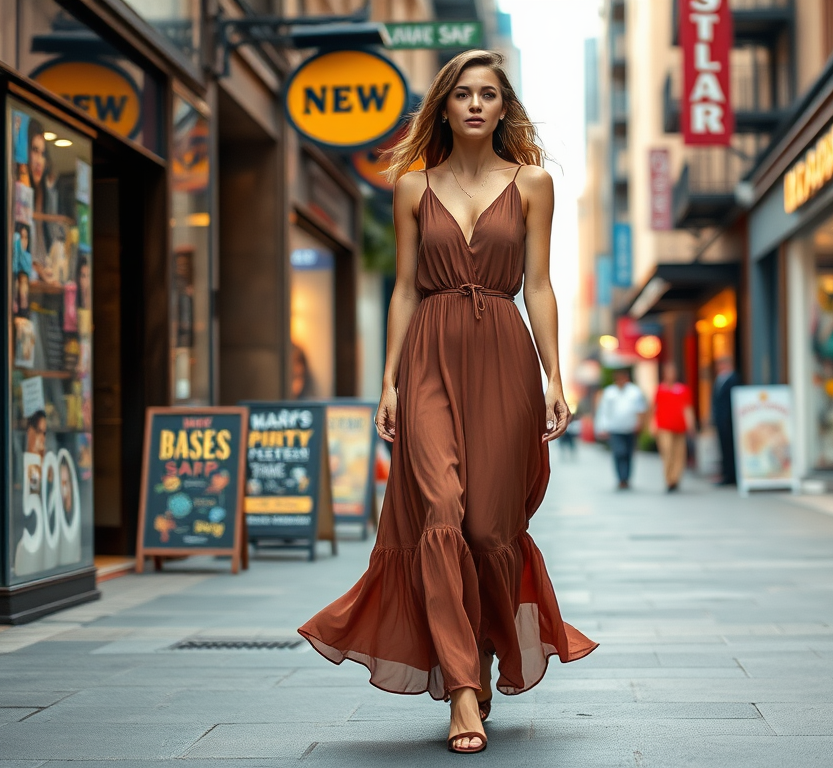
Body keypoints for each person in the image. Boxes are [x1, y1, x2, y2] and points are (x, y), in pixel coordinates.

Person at [297, 50, 597, 755]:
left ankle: (485, 655)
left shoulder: (533, 185)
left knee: (491, 531)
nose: (474, 104)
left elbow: (542, 287)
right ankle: (462, 689)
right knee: (439, 513)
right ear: (444, 104)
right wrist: (390, 382)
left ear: (503, 108)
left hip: (504, 357)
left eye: (488, 94)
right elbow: (404, 288)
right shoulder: (410, 187)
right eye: (461, 93)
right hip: (429, 353)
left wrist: (557, 377)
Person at [595, 367, 648, 490]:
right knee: (619, 453)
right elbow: (603, 411)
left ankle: (626, 478)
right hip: (615, 429)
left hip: (630, 428)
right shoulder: (609, 392)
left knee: (628, 454)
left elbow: (641, 409)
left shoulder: (635, 392)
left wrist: (640, 423)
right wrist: (601, 427)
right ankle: (620, 478)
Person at [653, 361, 695, 492]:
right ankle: (669, 478)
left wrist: (691, 425)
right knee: (667, 451)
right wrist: (652, 424)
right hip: (664, 426)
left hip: (679, 426)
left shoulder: (683, 389)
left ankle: (675, 478)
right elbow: (655, 408)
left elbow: (687, 408)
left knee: (679, 454)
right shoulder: (660, 389)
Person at [712, 355, 740, 485]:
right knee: (723, 448)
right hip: (721, 420)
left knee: (730, 448)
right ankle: (726, 473)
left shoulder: (734, 379)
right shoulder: (719, 379)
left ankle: (731, 475)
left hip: (729, 421)